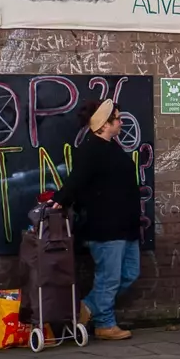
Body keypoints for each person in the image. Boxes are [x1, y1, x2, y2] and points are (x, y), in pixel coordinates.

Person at [54, 99, 141, 341]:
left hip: (125, 226)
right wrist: (60, 200)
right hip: (105, 226)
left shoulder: (113, 147)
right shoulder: (91, 150)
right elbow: (76, 179)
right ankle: (104, 323)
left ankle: (89, 307)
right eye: (117, 119)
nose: (121, 122)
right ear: (104, 124)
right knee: (109, 277)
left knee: (130, 273)